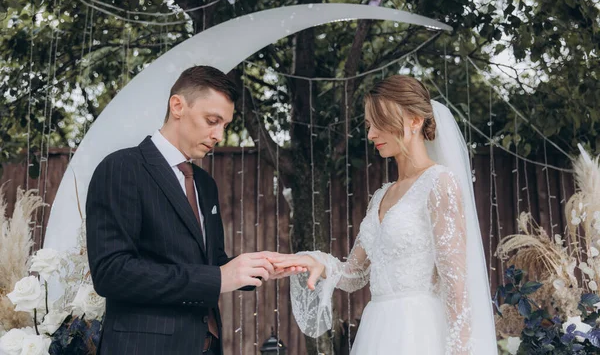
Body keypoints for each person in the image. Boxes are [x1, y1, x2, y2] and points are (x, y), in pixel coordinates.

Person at [270, 75, 497, 354]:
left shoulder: (439, 183)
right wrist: (314, 260)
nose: (371, 135)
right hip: (377, 330)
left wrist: (459, 350)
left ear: (415, 120)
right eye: (368, 125)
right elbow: (354, 274)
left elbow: (456, 286)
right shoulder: (382, 195)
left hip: (419, 331)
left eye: (379, 123)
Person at [86, 66, 290, 355]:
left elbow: (212, 262)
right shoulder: (121, 168)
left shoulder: (205, 184)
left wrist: (255, 268)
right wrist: (219, 278)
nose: (219, 135)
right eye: (212, 120)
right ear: (178, 106)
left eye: (225, 125)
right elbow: (112, 272)